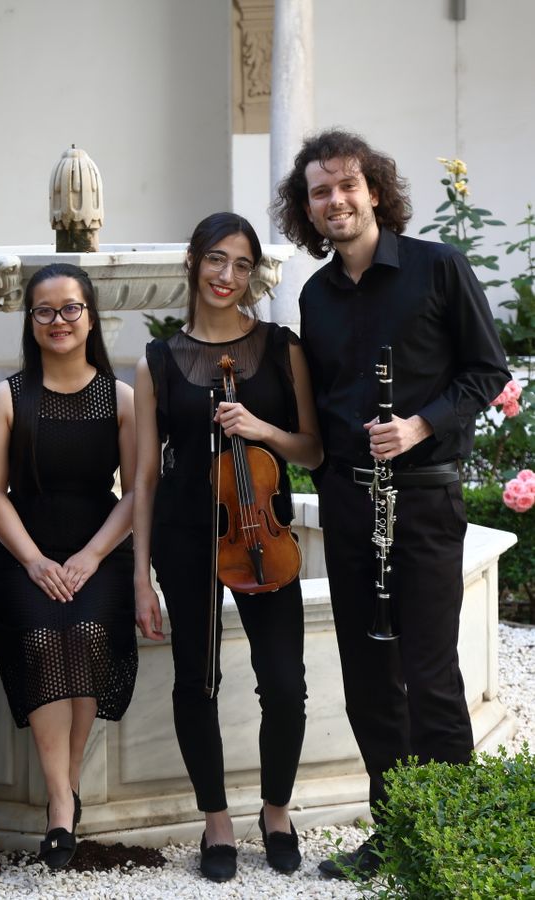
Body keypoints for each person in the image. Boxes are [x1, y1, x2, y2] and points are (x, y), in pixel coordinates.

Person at [271, 129, 510, 880]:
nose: (335, 200)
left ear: (374, 191)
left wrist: (418, 426)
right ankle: (395, 829)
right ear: (308, 209)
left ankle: (452, 836)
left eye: (347, 185)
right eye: (320, 191)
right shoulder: (316, 295)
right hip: (350, 503)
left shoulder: (438, 267)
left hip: (426, 497)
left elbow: (487, 372)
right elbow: (322, 407)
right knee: (369, 679)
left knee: (431, 674)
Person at [132, 212, 323, 883]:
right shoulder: (157, 361)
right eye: (217, 259)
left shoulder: (281, 347)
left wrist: (259, 427)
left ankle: (276, 812)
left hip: (262, 533)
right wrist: (139, 577)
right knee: (197, 680)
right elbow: (144, 478)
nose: (228, 276)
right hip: (186, 537)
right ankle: (216, 822)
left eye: (243, 264)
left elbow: (311, 448)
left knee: (285, 684)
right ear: (193, 262)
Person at [0, 263, 138, 870]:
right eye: (44, 311)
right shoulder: (6, 397)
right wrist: (36, 561)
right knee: (45, 634)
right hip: (22, 555)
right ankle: (62, 799)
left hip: (99, 553)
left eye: (71, 308)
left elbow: (136, 493)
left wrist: (92, 556)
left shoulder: (122, 399)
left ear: (90, 317)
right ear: (31, 321)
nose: (58, 321)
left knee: (88, 631)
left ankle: (62, 798)